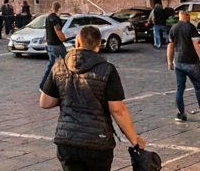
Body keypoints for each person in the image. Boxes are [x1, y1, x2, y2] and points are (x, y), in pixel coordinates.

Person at [40, 25, 146, 171]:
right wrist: (135, 140)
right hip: (97, 141)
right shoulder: (107, 69)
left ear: (77, 42)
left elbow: (45, 102)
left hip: (67, 140)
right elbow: (117, 109)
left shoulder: (59, 66)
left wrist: (68, 94)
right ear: (98, 45)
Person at [167, 10, 200, 123]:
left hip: (178, 61)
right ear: (187, 16)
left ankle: (180, 113)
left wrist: (169, 61)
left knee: (180, 87)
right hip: (191, 61)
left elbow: (170, 46)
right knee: (198, 86)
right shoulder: (191, 27)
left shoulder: (173, 28)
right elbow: (197, 45)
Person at [41, 2, 68, 87]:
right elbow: (58, 31)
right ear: (59, 9)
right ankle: (65, 84)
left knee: (51, 65)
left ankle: (43, 85)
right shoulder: (55, 19)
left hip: (50, 44)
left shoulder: (48, 17)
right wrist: (64, 38)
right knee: (66, 62)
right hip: (57, 45)